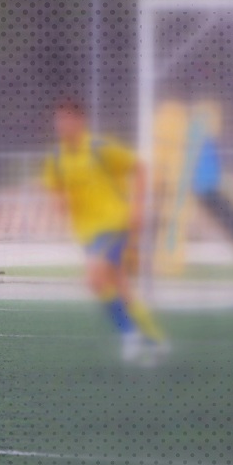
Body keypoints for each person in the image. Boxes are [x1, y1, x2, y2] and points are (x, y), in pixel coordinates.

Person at [43, 100, 167, 366]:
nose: (61, 125)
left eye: (66, 119)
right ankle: (155, 341)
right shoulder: (56, 158)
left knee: (94, 277)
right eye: (58, 120)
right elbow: (56, 191)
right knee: (119, 286)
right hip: (87, 233)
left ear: (80, 121)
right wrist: (61, 203)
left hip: (114, 224)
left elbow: (139, 167)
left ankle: (129, 333)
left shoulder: (99, 148)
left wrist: (137, 207)